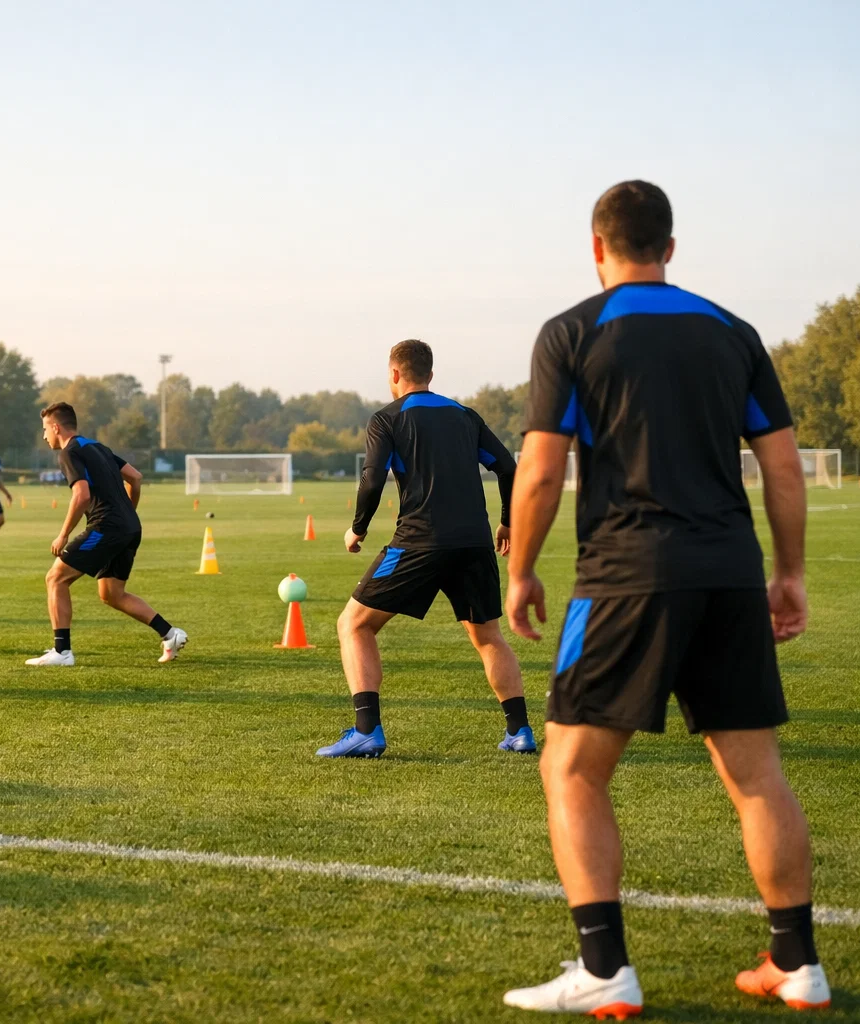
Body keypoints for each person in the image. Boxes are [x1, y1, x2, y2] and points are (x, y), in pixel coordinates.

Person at [502, 181, 827, 1015]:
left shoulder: (574, 331)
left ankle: (604, 968)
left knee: (570, 767)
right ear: (671, 248)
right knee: (757, 775)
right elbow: (783, 466)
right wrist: (788, 573)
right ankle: (796, 964)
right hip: (727, 573)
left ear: (597, 248)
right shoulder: (732, 332)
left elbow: (540, 469)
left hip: (625, 576)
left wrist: (522, 568)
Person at [317, 340, 530, 759]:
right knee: (488, 637)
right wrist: (509, 520)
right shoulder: (465, 416)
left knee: (355, 624)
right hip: (474, 542)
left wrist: (357, 528)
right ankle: (520, 731)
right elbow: (508, 467)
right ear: (430, 374)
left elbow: (373, 479)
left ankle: (366, 730)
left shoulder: (387, 419)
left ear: (394, 374)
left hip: (419, 541)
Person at [25, 402, 187, 666]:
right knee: (112, 593)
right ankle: (170, 634)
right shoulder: (97, 447)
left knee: (55, 578)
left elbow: (81, 495)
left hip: (107, 526)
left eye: (45, 429)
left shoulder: (69, 452)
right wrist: (126, 514)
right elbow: (135, 477)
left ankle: (62, 652)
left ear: (56, 427)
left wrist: (63, 534)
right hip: (130, 527)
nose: (44, 436)